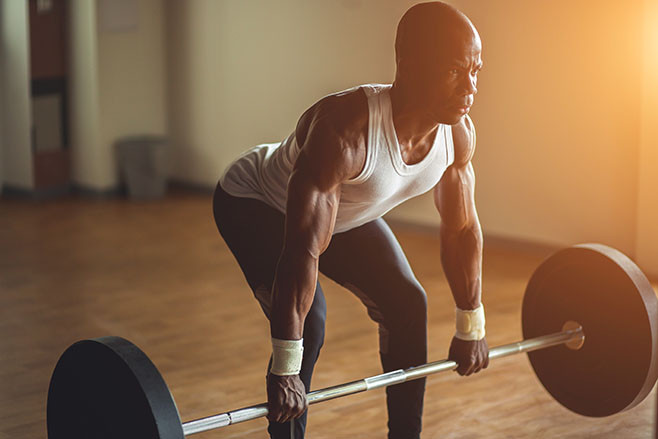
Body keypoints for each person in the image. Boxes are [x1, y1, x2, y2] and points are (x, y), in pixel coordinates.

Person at [212, 2, 488, 438]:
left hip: (341, 215)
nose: (469, 87)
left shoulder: (457, 134)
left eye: (476, 70)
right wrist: (285, 367)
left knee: (408, 304)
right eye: (455, 71)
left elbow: (462, 230)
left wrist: (471, 322)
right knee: (311, 319)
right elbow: (303, 246)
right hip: (256, 204)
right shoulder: (345, 130)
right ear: (409, 64)